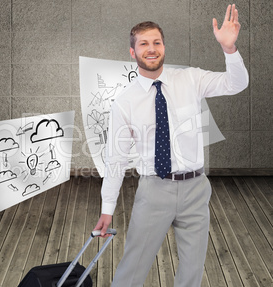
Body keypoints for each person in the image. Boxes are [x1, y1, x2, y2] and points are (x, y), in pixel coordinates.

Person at [93, 4, 248, 287]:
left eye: (156, 42)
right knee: (132, 270)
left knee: (192, 272)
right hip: (154, 191)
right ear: (133, 52)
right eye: (143, 44)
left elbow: (236, 83)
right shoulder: (124, 102)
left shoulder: (190, 78)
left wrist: (229, 49)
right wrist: (107, 208)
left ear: (164, 46)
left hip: (195, 189)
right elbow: (115, 158)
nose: (151, 48)